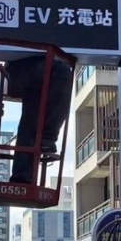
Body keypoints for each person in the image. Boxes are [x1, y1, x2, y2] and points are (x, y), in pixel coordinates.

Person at [4, 55, 74, 184]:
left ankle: (21, 176)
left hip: (26, 66)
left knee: (32, 114)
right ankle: (47, 137)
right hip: (25, 65)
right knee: (62, 72)